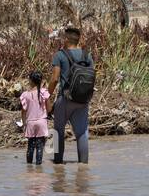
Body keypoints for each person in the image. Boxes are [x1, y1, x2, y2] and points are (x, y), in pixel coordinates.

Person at [47, 27, 95, 164]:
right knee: (82, 133)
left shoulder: (60, 55)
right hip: (83, 99)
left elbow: (55, 79)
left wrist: (46, 95)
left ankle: (57, 165)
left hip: (65, 99)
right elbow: (91, 76)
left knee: (57, 131)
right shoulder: (87, 55)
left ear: (66, 39)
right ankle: (83, 166)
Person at [20, 71, 52, 164]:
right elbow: (49, 109)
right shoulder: (44, 92)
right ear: (41, 81)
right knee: (39, 146)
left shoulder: (25, 95)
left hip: (30, 123)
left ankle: (29, 167)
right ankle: (38, 167)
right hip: (41, 122)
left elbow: (23, 111)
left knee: (30, 146)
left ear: (30, 81)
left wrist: (24, 123)